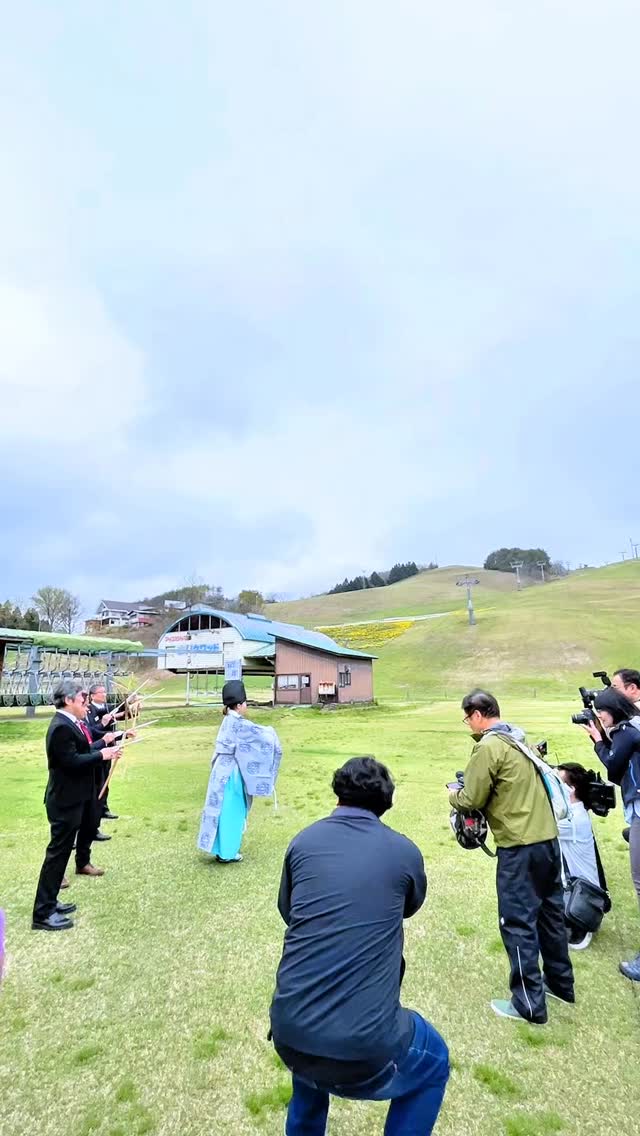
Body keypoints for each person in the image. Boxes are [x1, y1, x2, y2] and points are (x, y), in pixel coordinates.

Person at [270, 756, 449, 1136]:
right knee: (434, 1059)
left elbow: (289, 912)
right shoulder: (403, 851)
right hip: (365, 1049)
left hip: (289, 1033)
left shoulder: (303, 841)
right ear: (385, 804)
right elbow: (410, 905)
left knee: (311, 1053)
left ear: (338, 793)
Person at [450, 689, 574, 1024]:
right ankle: (561, 983)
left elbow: (471, 798)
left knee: (517, 921)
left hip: (519, 847)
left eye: (467, 718)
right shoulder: (518, 738)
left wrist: (452, 795)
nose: (468, 724)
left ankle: (528, 1004)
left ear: (477, 714)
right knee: (550, 914)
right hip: (547, 840)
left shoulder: (488, 745)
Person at [32, 680, 122, 931]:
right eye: (82, 699)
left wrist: (106, 746)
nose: (86, 704)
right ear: (68, 700)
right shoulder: (61, 726)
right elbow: (71, 762)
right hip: (64, 801)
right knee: (57, 855)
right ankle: (42, 914)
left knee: (61, 855)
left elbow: (84, 748)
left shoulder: (71, 723)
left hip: (74, 798)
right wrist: (101, 755)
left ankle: (51, 903)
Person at [582, 688, 640, 980]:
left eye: (601, 712)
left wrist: (597, 740)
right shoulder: (630, 730)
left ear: (614, 710)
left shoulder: (627, 732)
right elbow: (618, 774)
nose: (600, 717)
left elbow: (612, 766)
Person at [196, 680, 282, 863]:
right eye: (245, 703)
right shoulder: (239, 723)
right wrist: (272, 732)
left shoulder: (227, 720)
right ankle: (227, 852)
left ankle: (219, 848)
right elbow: (262, 736)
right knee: (232, 811)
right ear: (240, 704)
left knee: (219, 810)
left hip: (220, 770)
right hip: (232, 774)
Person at [556, 763, 606, 950]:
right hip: (581, 892)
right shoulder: (576, 811)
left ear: (572, 789)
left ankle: (577, 923)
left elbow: (538, 825)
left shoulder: (573, 819)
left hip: (582, 897)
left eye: (558, 782)